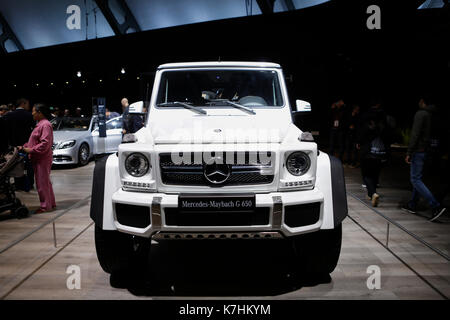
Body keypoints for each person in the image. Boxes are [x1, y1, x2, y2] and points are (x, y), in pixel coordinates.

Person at [402, 97, 447, 221]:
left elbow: (415, 133)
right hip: (431, 151)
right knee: (418, 178)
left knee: (415, 179)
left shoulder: (421, 113)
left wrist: (409, 152)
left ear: (422, 101)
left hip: (419, 150)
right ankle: (413, 204)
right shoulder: (436, 114)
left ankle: (435, 205)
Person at [19, 104, 56, 214]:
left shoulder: (45, 125)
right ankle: (51, 203)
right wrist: (25, 146)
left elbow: (45, 144)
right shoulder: (41, 124)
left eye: (33, 111)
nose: (32, 113)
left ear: (40, 112)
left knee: (42, 183)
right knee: (45, 182)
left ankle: (45, 207)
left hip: (42, 158)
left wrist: (29, 150)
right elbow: (35, 142)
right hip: (40, 157)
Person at [357, 100, 390, 207]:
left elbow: (362, 131)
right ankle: (371, 195)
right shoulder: (384, 117)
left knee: (366, 174)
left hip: (368, 150)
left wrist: (358, 142)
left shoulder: (366, 116)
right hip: (382, 150)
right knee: (375, 173)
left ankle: (372, 193)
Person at [3, 98, 35, 191]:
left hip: (13, 145)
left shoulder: (8, 115)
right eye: (28, 104)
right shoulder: (29, 115)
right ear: (23, 103)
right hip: (27, 145)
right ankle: (29, 184)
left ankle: (18, 184)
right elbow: (34, 130)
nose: (29, 106)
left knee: (14, 165)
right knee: (29, 165)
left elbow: (5, 131)